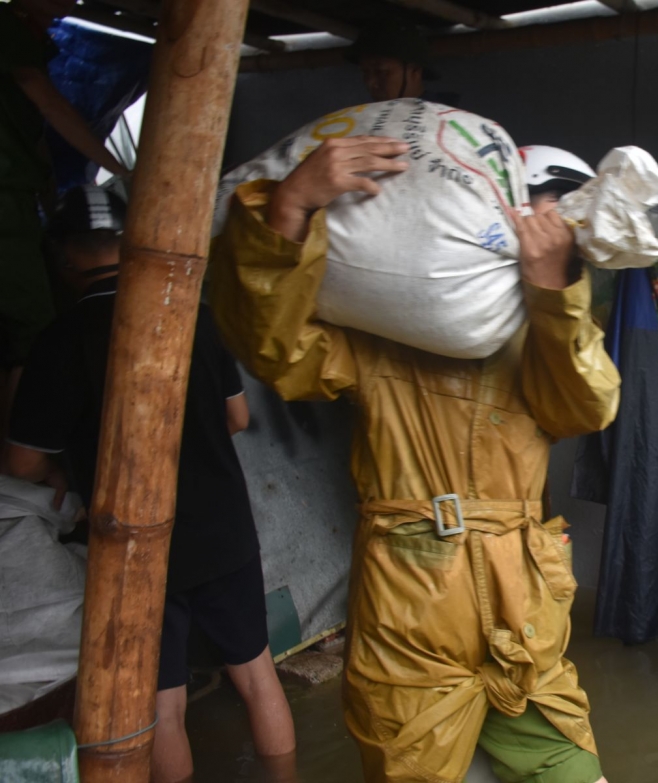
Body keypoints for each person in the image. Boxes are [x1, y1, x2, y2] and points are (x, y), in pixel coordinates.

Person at [209, 135, 619, 783]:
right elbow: (276, 350)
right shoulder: (384, 331)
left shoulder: (548, 328)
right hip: (409, 612)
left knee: (575, 771)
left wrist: (552, 292)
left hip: (524, 617)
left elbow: (588, 406)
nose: (543, 232)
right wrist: (289, 208)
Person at [1, 185, 295, 783]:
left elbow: (23, 464)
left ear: (64, 260)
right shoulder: (193, 315)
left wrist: (65, 466)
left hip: (136, 548)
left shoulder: (58, 342)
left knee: (163, 705)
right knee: (257, 674)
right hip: (224, 529)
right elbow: (237, 418)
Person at [1, 0, 129, 439]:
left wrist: (50, 190)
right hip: (7, 194)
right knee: (33, 331)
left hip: (19, 191)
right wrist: (120, 168)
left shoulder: (33, 40)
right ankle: (22, 460)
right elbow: (47, 102)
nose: (68, 5)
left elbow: (34, 126)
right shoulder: (9, 31)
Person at [345, 21, 435, 102]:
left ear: (415, 71)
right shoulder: (362, 117)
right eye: (365, 72)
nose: (370, 83)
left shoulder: (446, 115)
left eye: (381, 72)